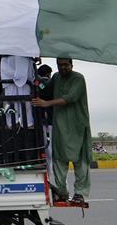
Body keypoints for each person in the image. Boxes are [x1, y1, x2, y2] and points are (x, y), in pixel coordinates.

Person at [32, 58, 92, 204]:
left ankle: (80, 193)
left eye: (66, 65)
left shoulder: (78, 78)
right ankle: (61, 192)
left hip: (77, 125)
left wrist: (47, 104)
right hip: (60, 125)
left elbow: (70, 98)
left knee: (80, 160)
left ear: (72, 65)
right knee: (59, 159)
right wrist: (35, 76)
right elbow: (46, 91)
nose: (63, 68)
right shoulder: (56, 77)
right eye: (60, 65)